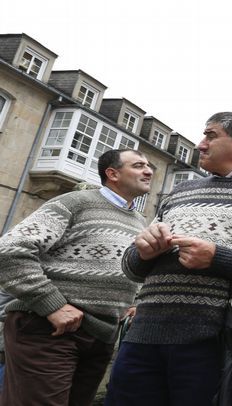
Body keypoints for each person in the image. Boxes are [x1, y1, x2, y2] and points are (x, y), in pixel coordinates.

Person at [105, 112, 232, 406]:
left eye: (210, 135)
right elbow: (132, 268)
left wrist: (217, 257)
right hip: (144, 335)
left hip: (216, 341)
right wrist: (143, 252)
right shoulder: (179, 192)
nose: (200, 144)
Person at [0, 149, 153, 405]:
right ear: (112, 173)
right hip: (49, 329)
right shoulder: (74, 202)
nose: (148, 171)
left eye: (149, 166)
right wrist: (53, 305)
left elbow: (128, 270)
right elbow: (9, 251)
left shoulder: (140, 221)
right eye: (138, 165)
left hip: (102, 336)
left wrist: (136, 299)